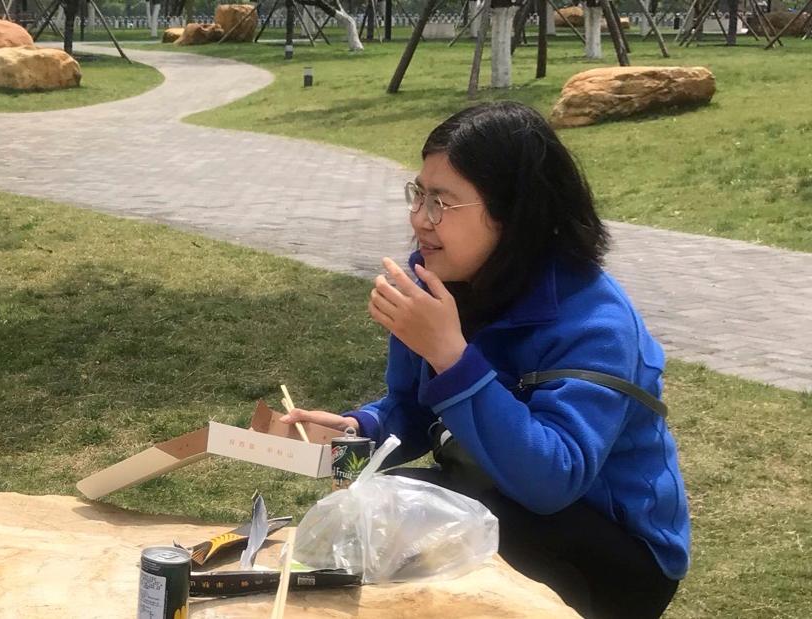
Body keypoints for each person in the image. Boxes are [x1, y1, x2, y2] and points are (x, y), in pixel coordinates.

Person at [280, 102, 690, 619]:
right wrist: (350, 438)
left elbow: (552, 482)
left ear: (514, 212)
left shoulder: (594, 319)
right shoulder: (437, 281)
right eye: (418, 195)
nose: (419, 220)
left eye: (441, 203)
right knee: (366, 512)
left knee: (449, 529)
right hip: (492, 498)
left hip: (612, 551)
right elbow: (412, 413)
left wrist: (450, 354)